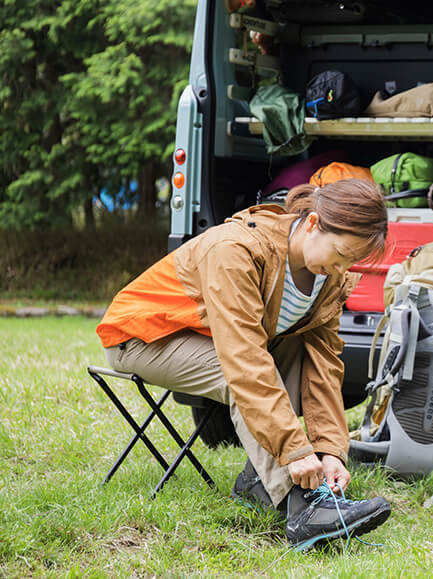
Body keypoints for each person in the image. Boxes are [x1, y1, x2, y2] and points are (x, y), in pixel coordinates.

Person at [95, 179, 391, 550]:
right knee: (238, 373)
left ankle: (258, 481)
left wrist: (330, 449)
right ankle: (301, 509)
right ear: (314, 224)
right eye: (341, 254)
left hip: (209, 338)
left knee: (301, 351)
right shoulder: (236, 249)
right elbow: (245, 360)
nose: (341, 268)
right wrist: (296, 451)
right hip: (142, 336)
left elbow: (324, 363)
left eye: (351, 261)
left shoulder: (326, 277)